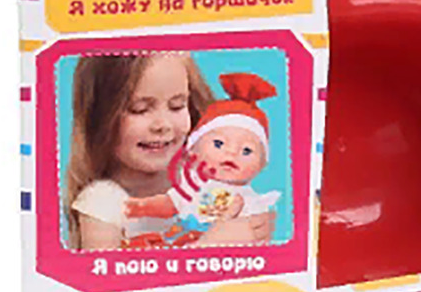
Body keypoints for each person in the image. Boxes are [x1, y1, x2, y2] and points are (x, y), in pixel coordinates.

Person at [65, 52, 273, 249]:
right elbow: (104, 275)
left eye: (177, 106)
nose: (162, 125)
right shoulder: (102, 202)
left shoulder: (200, 176)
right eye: (140, 109)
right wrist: (207, 247)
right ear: (99, 119)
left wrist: (255, 230)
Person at [125, 73, 281, 237]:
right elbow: (170, 204)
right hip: (181, 237)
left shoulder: (252, 202)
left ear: (261, 165)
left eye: (246, 151)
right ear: (192, 151)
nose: (232, 153)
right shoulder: (193, 184)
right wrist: (140, 207)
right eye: (219, 144)